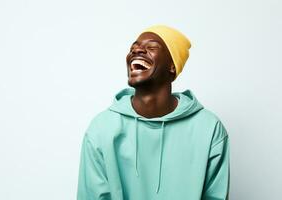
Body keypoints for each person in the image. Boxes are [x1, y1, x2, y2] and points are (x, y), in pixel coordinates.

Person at [77, 25, 230, 200]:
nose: (137, 51)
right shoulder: (102, 128)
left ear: (172, 66)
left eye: (151, 47)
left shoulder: (209, 129)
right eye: (133, 48)